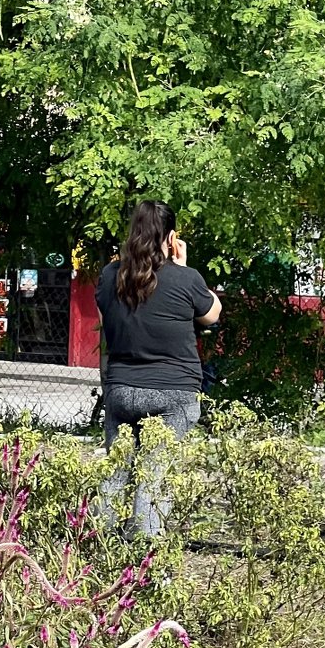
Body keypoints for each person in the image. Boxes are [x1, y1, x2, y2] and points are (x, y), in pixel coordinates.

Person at [96, 200, 222, 536]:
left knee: (115, 473)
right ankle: (146, 560)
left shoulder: (110, 275)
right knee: (153, 480)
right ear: (170, 237)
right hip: (174, 393)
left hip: (121, 391)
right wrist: (181, 266)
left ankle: (96, 553)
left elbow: (109, 317)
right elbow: (212, 315)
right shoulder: (186, 278)